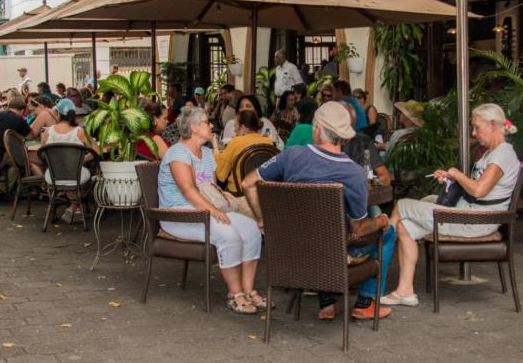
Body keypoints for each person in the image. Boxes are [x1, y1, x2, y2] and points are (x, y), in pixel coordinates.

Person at [242, 101, 395, 321]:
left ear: (316, 130)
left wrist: (262, 220)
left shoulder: (290, 155)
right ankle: (366, 303)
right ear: (344, 135)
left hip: (291, 250)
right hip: (332, 254)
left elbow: (248, 183)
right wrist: (381, 221)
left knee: (318, 230)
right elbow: (359, 229)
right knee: (389, 232)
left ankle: (327, 302)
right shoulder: (354, 173)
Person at [385, 103, 520, 308]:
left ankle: (381, 260)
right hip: (470, 215)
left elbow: (479, 191)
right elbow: (477, 188)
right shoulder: (491, 153)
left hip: (476, 221)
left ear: (493, 125)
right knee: (405, 225)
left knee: (402, 205)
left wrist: (456, 173)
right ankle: (405, 292)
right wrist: (453, 179)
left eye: (476, 127)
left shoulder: (503, 153)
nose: (473, 133)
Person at [158, 106, 265, 314]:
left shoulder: (207, 153)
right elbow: (188, 189)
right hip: (178, 215)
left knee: (251, 229)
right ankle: (235, 294)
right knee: (228, 234)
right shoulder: (177, 153)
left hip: (204, 211)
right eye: (207, 122)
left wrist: (222, 196)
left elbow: (210, 188)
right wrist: (214, 212)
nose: (211, 126)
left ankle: (248, 290)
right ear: (194, 127)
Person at [41, 98, 95, 223]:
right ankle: (75, 206)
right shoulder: (80, 132)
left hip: (53, 176)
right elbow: (96, 152)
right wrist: (80, 161)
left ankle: (73, 206)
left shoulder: (48, 132)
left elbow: (43, 154)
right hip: (76, 175)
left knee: (65, 178)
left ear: (58, 114)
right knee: (88, 176)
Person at [213, 110, 274, 193]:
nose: (234, 130)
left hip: (238, 191)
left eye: (235, 126)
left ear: (242, 127)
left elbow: (221, 173)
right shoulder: (269, 142)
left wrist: (215, 148)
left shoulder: (236, 142)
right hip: (261, 192)